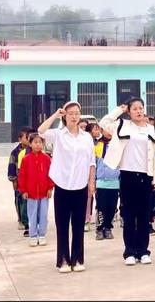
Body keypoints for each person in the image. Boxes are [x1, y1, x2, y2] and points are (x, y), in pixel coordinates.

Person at [100, 98, 155, 266]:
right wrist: (120, 109)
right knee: (129, 214)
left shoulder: (151, 129)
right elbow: (104, 123)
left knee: (144, 216)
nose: (139, 111)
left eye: (141, 108)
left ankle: (143, 251)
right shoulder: (122, 125)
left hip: (146, 176)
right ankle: (129, 253)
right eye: (134, 109)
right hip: (127, 175)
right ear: (129, 111)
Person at [38, 102, 96, 273]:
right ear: (65, 115)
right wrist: (55, 115)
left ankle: (77, 259)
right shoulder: (58, 134)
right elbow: (41, 131)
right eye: (70, 113)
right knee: (62, 225)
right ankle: (63, 260)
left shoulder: (86, 137)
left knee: (78, 226)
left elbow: (91, 162)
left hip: (81, 185)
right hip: (62, 186)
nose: (74, 116)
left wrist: (91, 183)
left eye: (77, 113)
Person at [18, 133, 54, 247]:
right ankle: (33, 236)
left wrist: (50, 187)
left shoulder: (47, 159)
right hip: (31, 194)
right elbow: (22, 176)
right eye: (35, 142)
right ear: (30, 144)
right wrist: (23, 190)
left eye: (40, 142)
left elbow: (51, 174)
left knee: (43, 214)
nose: (38, 145)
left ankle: (42, 235)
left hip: (44, 193)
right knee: (32, 215)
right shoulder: (25, 159)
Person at [94, 125, 120, 241]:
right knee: (101, 207)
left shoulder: (117, 146)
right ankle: (100, 228)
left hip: (114, 182)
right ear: (101, 130)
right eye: (106, 129)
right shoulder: (97, 146)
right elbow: (94, 164)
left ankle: (108, 227)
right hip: (101, 182)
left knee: (112, 207)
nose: (109, 132)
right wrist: (93, 180)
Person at [8, 128, 31, 236]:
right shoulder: (15, 152)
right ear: (20, 139)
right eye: (26, 137)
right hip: (19, 180)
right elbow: (12, 166)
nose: (27, 140)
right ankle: (21, 219)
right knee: (19, 200)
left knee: (27, 201)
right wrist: (13, 180)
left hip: (29, 181)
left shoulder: (32, 150)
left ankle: (28, 221)